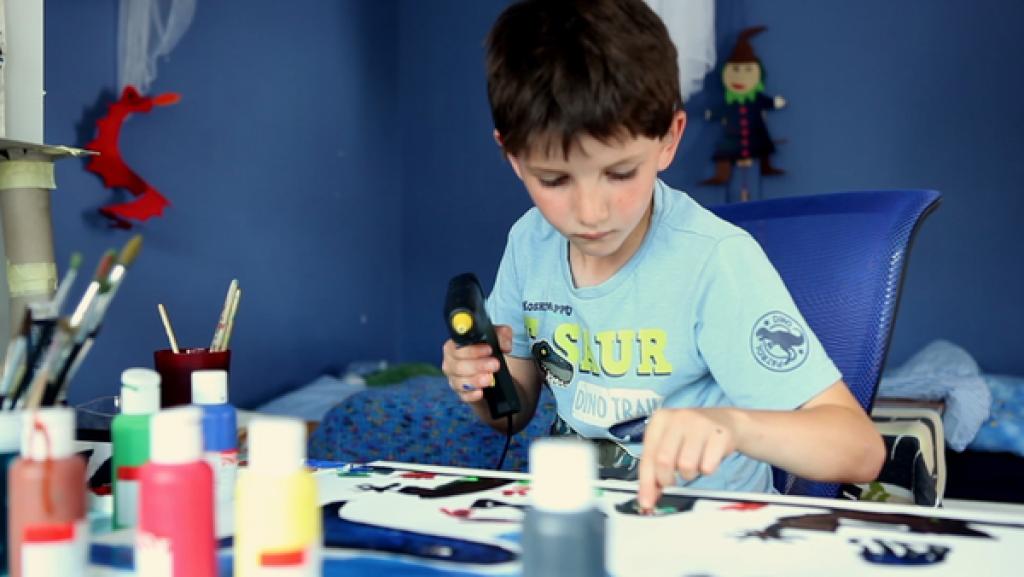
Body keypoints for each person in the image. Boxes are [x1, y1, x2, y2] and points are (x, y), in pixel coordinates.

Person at [441, 0, 884, 509]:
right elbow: (512, 413)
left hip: (705, 537)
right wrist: (479, 380)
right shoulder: (529, 242)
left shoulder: (715, 261)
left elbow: (859, 450)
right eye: (555, 180)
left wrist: (732, 425)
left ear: (669, 139)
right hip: (582, 521)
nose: (589, 212)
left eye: (620, 173)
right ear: (513, 158)